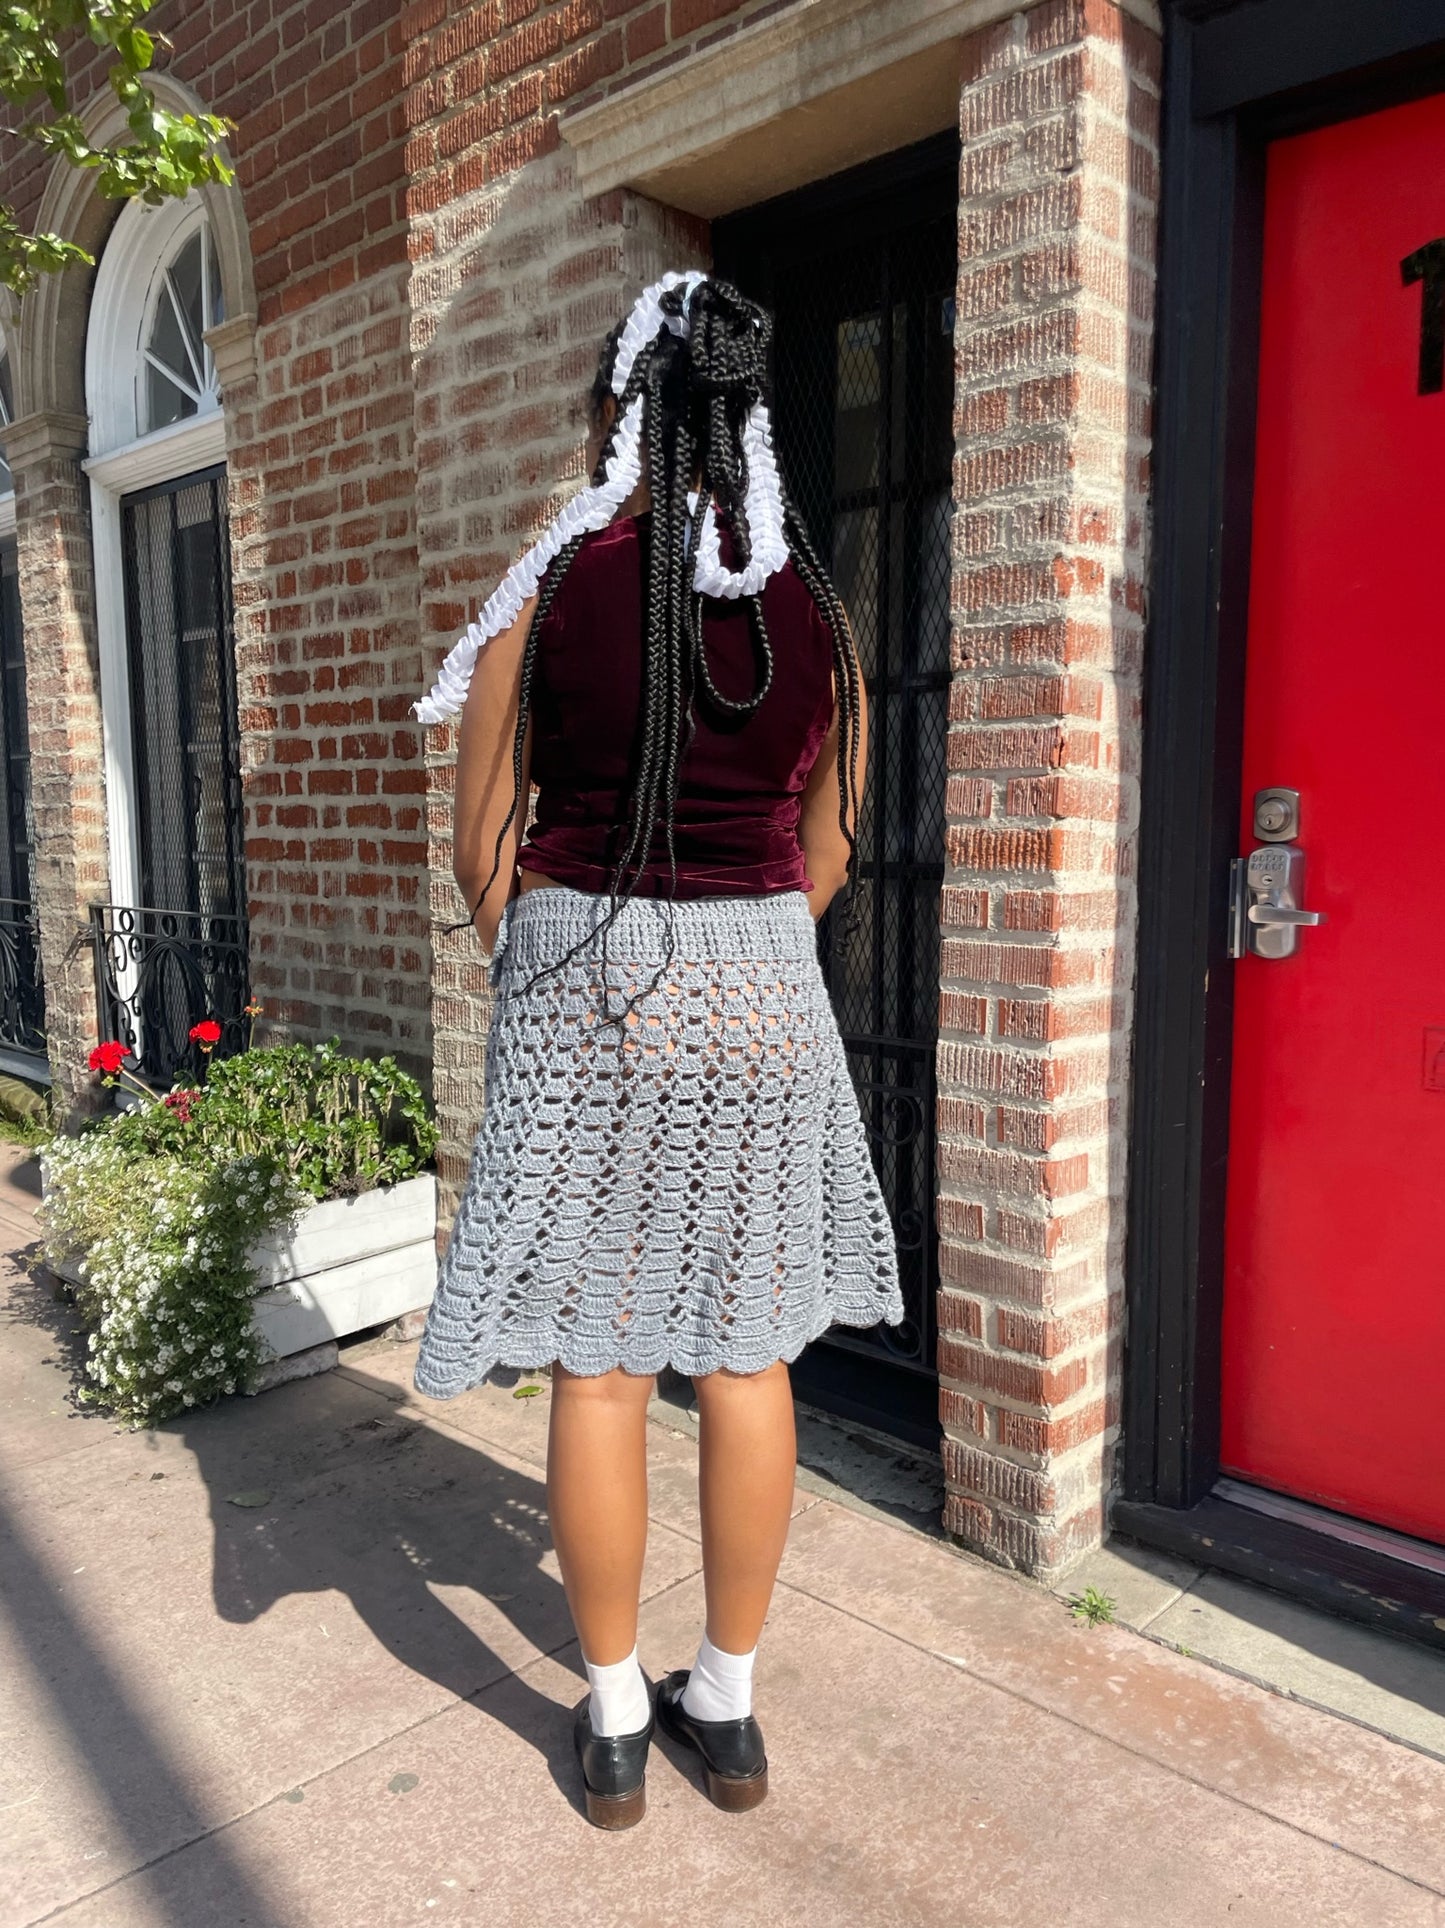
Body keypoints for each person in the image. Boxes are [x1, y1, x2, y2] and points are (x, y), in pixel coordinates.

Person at [409, 272, 903, 1829]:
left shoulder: (551, 587)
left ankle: (617, 1720)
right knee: (749, 1357)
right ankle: (733, 1712)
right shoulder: (815, 610)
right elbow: (831, 849)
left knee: (603, 1368)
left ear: (617, 414)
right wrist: (743, 942)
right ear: (749, 417)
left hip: (584, 979)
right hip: (763, 992)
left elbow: (477, 835)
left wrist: (547, 952)